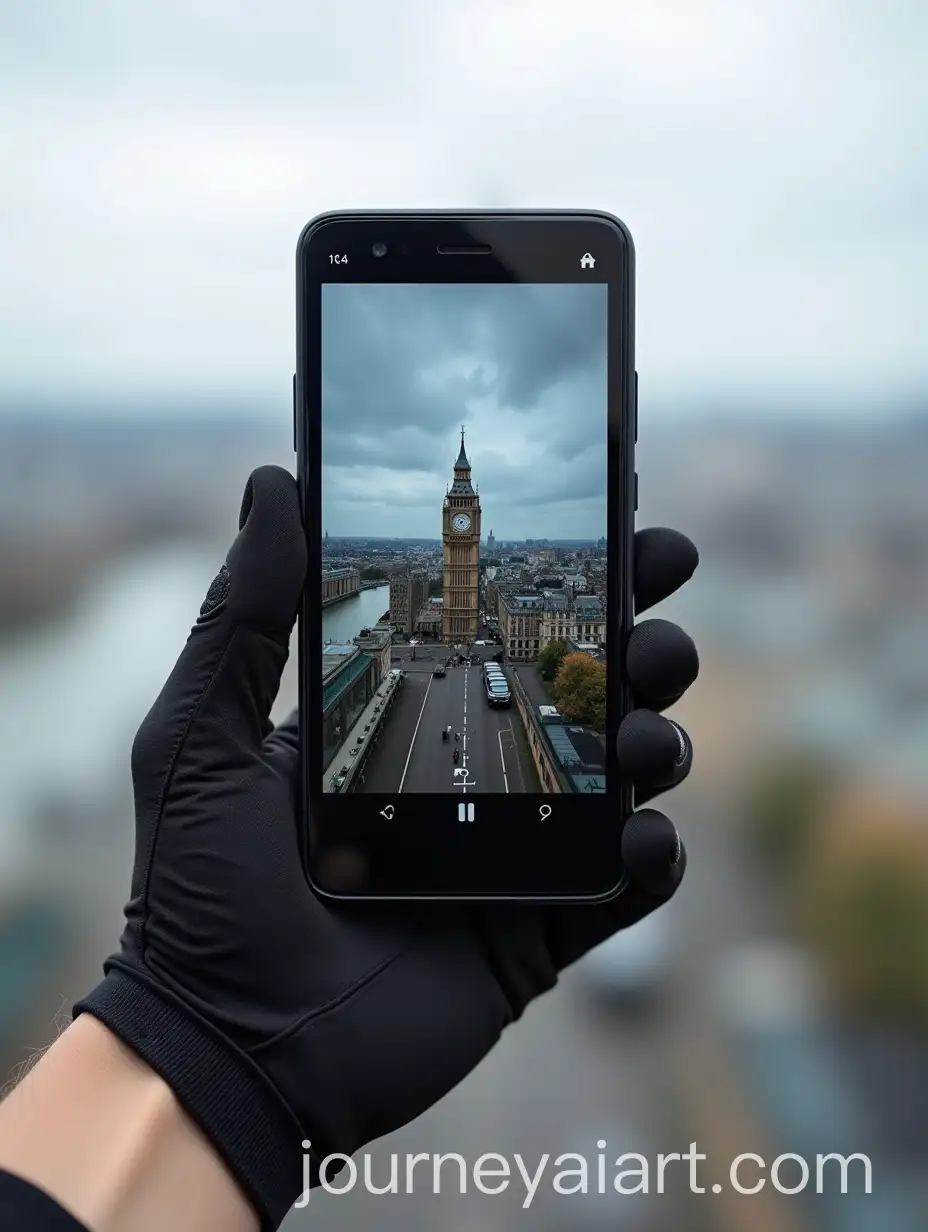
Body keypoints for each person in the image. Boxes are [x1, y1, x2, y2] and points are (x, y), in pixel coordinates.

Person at [0, 467, 698, 1231]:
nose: (461, 522)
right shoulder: (433, 589)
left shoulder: (474, 579)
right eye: (457, 515)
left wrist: (193, 1052)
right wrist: (201, 1041)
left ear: (468, 516)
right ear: (452, 518)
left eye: (466, 513)